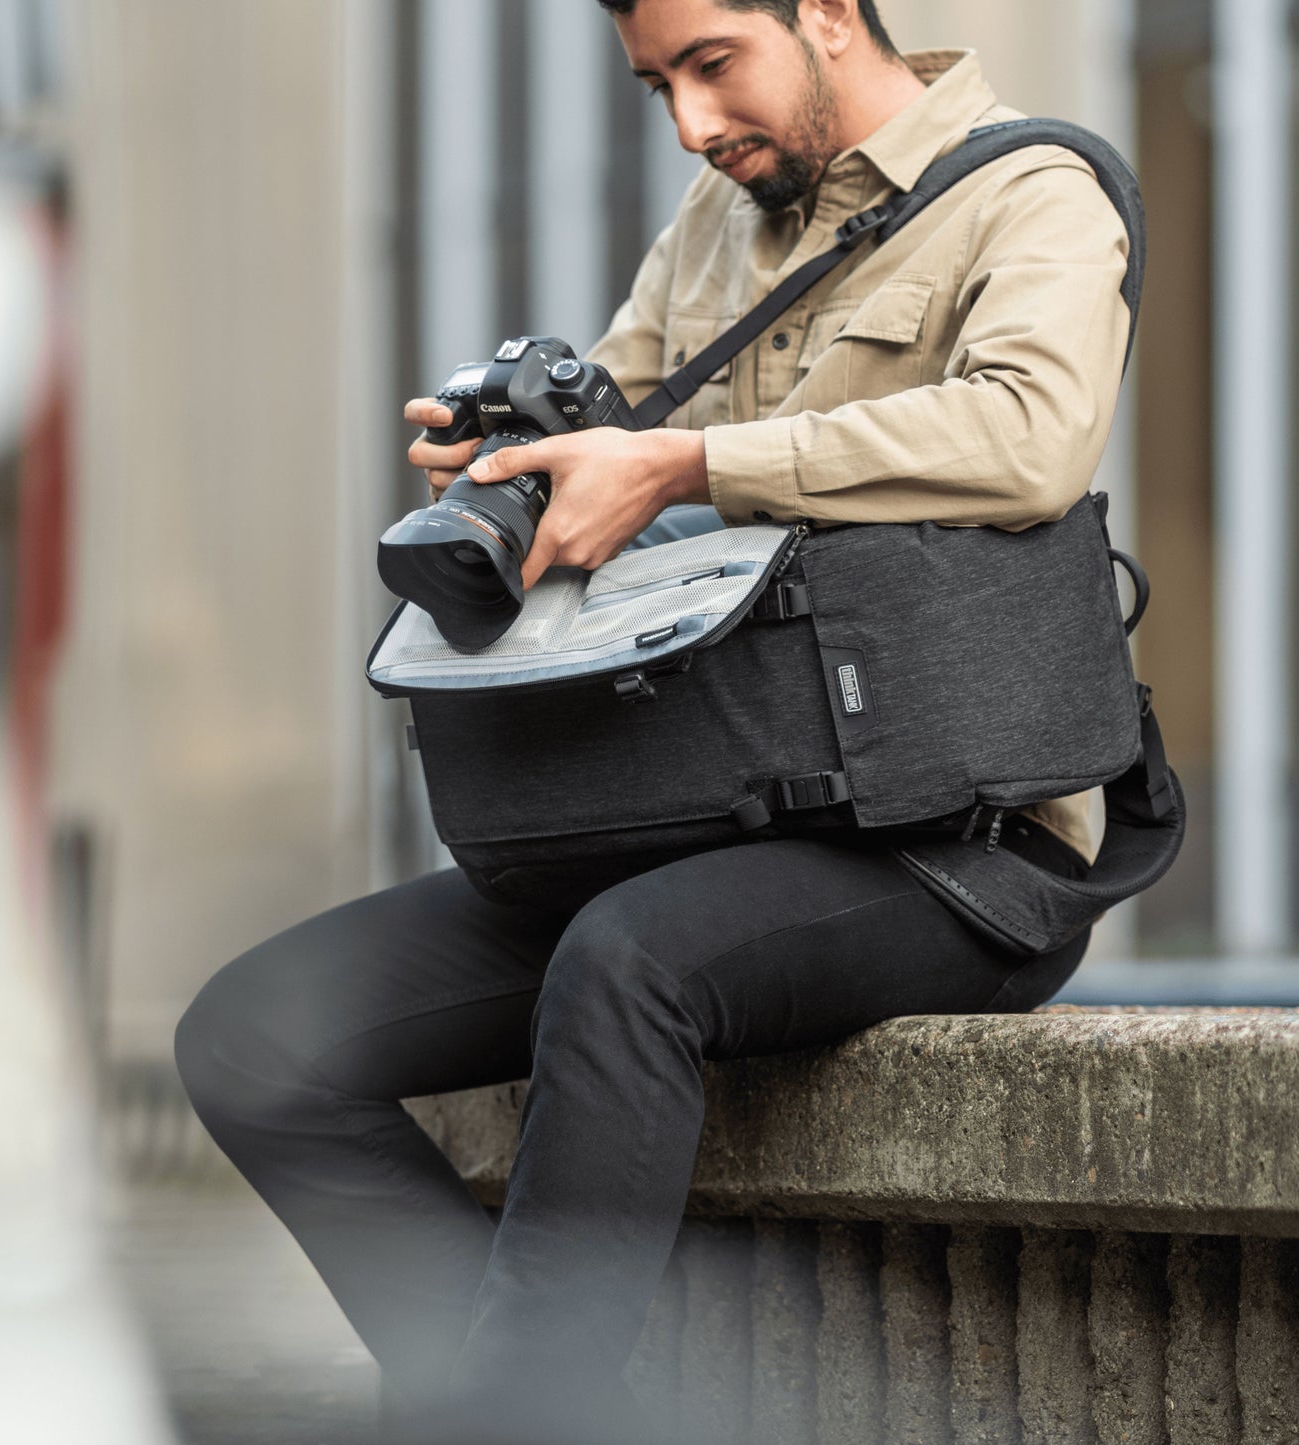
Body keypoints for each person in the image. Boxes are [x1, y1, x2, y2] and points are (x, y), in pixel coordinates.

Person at [173, 2, 1130, 1441]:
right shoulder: (714, 221)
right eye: (655, 85)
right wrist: (522, 470)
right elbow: (619, 439)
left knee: (626, 965)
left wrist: (686, 463)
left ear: (821, 14)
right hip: (701, 809)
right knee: (254, 1038)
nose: (691, 123)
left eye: (710, 66)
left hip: (952, 840)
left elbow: (1028, 433)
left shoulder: (1030, 191)